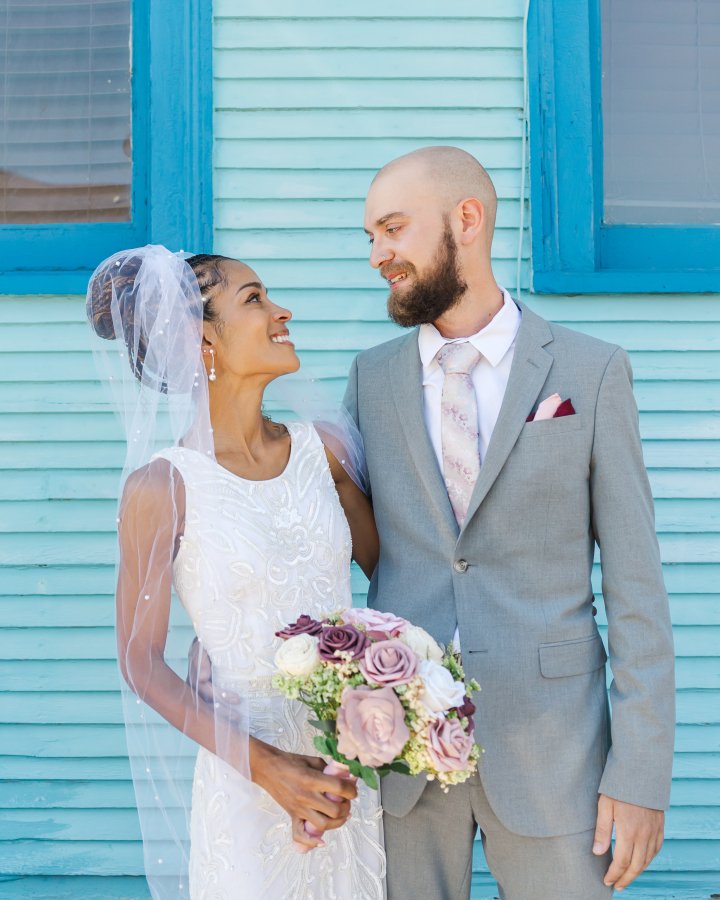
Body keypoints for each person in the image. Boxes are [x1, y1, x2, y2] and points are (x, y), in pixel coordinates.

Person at [344, 146, 675, 899]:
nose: (377, 256)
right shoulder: (371, 378)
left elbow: (636, 590)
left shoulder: (590, 373)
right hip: (404, 762)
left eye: (393, 229)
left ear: (469, 219)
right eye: (369, 237)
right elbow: (365, 552)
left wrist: (642, 773)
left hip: (556, 755)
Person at [86, 247, 386, 899]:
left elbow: (396, 581)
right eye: (254, 300)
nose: (282, 312)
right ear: (202, 339)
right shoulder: (162, 486)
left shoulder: (325, 452)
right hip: (245, 770)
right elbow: (139, 660)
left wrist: (402, 693)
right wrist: (266, 767)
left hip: (349, 764)